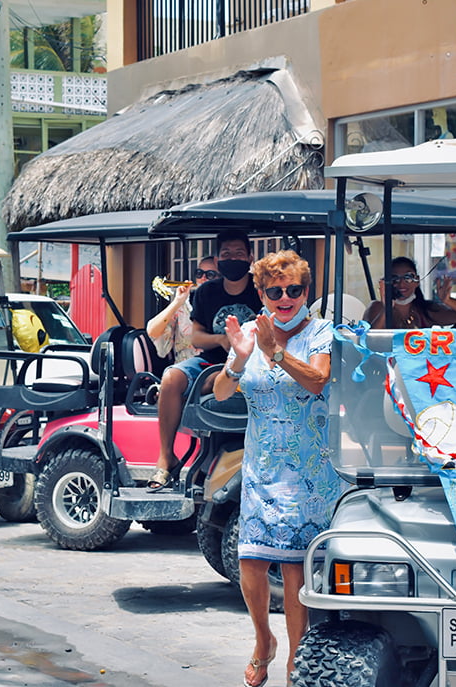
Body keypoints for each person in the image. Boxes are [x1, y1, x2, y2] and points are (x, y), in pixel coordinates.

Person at [212, 249, 341, 687]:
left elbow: (318, 380)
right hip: (261, 467)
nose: (285, 299)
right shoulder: (250, 333)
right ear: (262, 294)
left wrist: (277, 353)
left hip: (308, 472)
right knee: (250, 560)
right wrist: (240, 359)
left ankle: (296, 659)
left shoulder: (321, 332)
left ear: (306, 291)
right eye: (275, 292)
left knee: (293, 568)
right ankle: (263, 640)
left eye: (294, 290)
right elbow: (221, 393)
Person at [148, 232, 260, 492]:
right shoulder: (207, 292)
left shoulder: (261, 290)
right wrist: (220, 340)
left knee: (214, 381)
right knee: (171, 378)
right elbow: (197, 337)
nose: (233, 259)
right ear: (218, 260)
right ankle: (166, 457)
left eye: (239, 254)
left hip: (251, 364)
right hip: (211, 360)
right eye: (227, 254)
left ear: (250, 258)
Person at [363, 256, 456, 329]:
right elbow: (369, 340)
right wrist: (386, 309)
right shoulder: (376, 307)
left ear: (417, 281)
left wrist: (448, 301)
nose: (402, 284)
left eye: (408, 277)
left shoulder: (425, 310)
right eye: (395, 278)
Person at [145, 255, 217, 364]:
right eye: (199, 273)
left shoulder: (226, 306)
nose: (203, 278)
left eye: (210, 275)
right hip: (186, 368)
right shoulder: (185, 305)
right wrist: (177, 302)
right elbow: (152, 331)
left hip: (217, 367)